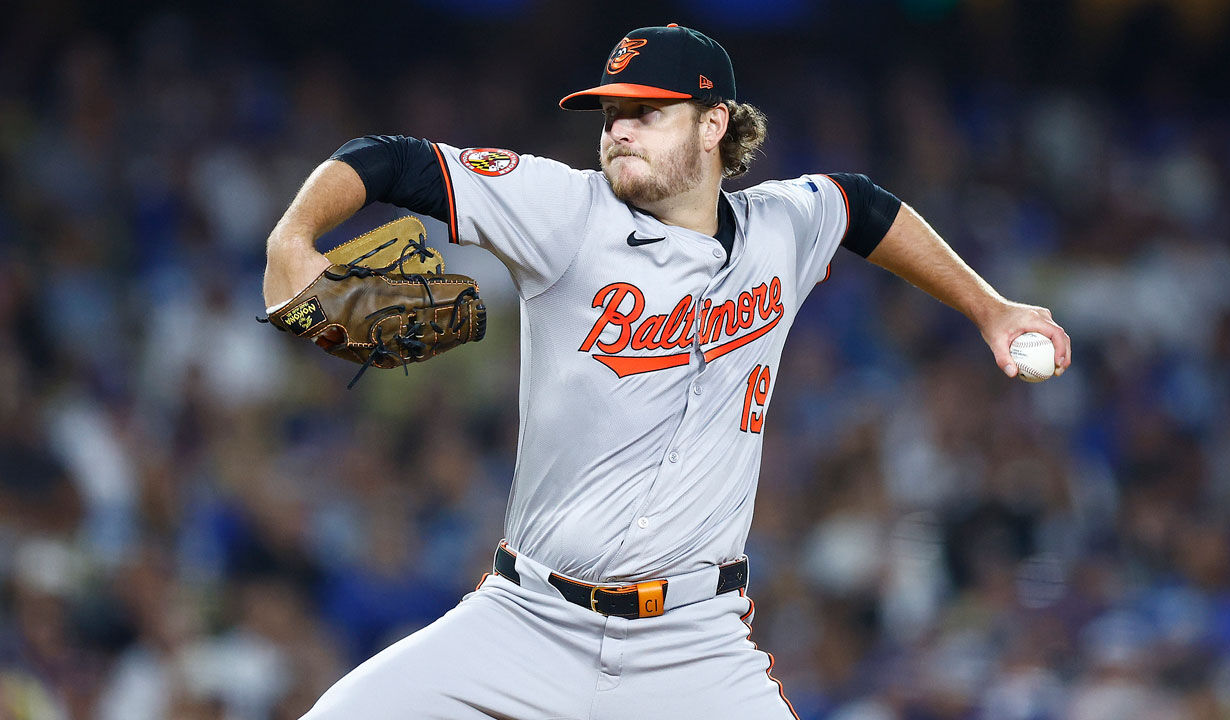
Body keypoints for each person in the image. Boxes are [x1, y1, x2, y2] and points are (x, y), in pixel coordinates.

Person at [262, 23, 1071, 720]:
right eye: (612, 114)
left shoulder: (782, 228)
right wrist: (293, 237)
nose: (620, 130)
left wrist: (990, 309)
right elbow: (392, 160)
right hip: (527, 622)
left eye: (647, 112)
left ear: (715, 123)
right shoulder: (565, 211)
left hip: (694, 645)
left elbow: (860, 206)